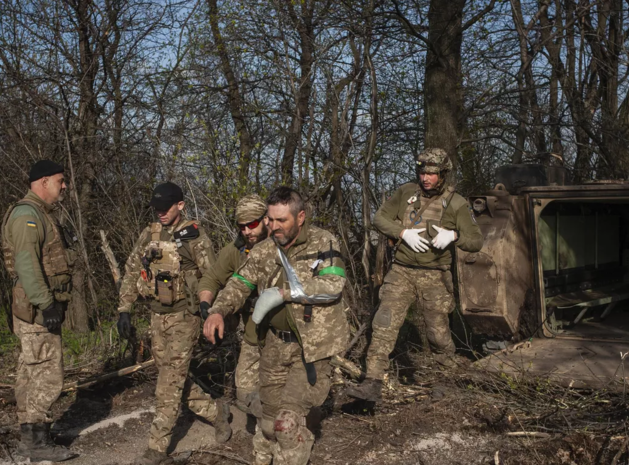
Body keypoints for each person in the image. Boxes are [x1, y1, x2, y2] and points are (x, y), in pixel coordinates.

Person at [203, 187, 347, 465]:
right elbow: (239, 283)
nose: (274, 226)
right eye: (270, 219)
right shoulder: (263, 251)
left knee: (286, 423)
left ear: (301, 216)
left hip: (312, 348)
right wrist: (218, 310)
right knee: (268, 423)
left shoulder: (323, 241)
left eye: (282, 220)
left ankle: (293, 451)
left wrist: (285, 293)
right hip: (274, 346)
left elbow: (333, 286)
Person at [347, 147, 483, 402]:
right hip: (402, 271)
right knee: (384, 325)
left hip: (436, 275)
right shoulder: (406, 193)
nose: (425, 178)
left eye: (432, 174)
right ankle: (372, 381)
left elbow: (476, 241)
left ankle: (445, 382)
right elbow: (380, 219)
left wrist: (454, 236)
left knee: (438, 334)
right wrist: (402, 232)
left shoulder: (456, 203)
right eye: (422, 172)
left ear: (443, 174)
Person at [115, 182, 231, 465]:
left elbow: (211, 276)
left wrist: (210, 310)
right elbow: (133, 269)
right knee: (172, 375)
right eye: (156, 209)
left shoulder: (196, 237)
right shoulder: (150, 233)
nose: (160, 213)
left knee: (168, 383)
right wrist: (124, 308)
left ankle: (156, 448)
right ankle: (217, 412)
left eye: (165, 208)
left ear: (180, 205)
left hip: (184, 317)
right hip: (157, 315)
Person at [2, 159, 78, 462]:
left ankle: (32, 438)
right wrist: (46, 304)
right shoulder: (27, 216)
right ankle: (36, 441)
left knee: (30, 373)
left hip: (36, 308)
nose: (64, 186)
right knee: (46, 375)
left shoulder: (39, 214)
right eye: (60, 180)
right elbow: (28, 265)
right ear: (44, 181)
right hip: (37, 310)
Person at [198, 194, 268, 419]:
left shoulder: (281, 245)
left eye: (253, 224)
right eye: (242, 227)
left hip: (284, 329)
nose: (247, 231)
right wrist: (207, 305)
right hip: (253, 329)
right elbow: (212, 278)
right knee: (245, 392)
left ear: (266, 220)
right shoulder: (235, 250)